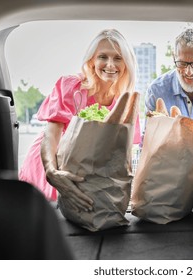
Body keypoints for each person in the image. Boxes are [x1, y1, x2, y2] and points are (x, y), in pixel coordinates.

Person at [19, 29, 140, 212]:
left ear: (127, 63)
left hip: (86, 166)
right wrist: (51, 171)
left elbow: (123, 153)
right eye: (103, 57)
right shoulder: (71, 86)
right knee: (49, 219)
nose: (110, 64)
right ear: (91, 61)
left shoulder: (126, 100)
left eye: (118, 58)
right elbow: (51, 135)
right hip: (51, 159)